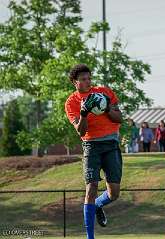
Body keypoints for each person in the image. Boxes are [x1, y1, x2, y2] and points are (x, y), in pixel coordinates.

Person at [65, 64, 122, 239]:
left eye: (89, 78)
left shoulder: (104, 92)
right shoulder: (71, 102)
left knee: (114, 194)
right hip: (91, 146)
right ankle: (90, 237)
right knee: (91, 188)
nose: (88, 82)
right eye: (83, 79)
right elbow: (81, 131)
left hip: (111, 143)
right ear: (75, 82)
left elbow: (119, 118)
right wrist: (84, 113)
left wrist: (105, 108)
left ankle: (98, 205)